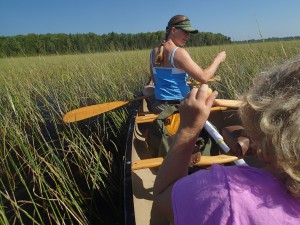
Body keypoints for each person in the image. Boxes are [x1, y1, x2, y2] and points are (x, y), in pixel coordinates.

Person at [153, 56, 300, 224]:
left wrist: (188, 129)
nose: (186, 36)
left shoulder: (223, 191)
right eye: (185, 32)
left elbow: (161, 199)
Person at [146, 14, 226, 114]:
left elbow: (156, 81)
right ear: (174, 30)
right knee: (206, 89)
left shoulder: (153, 52)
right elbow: (203, 77)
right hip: (176, 106)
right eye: (185, 31)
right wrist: (218, 59)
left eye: (189, 33)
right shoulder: (178, 52)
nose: (188, 35)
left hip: (158, 105)